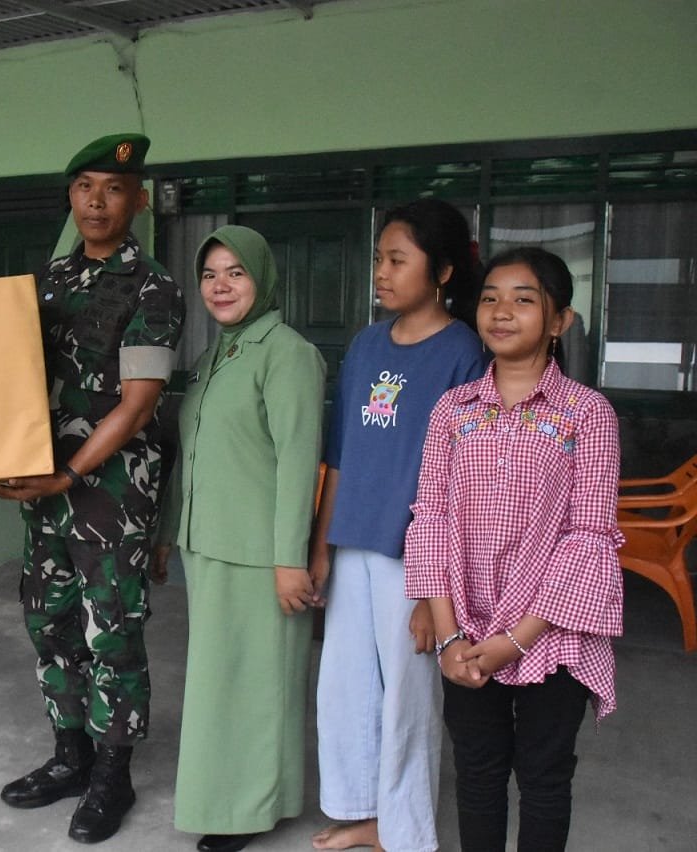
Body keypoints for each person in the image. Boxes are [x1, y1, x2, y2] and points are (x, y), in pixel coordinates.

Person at [0, 132, 185, 845]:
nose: (97, 202)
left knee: (113, 630)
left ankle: (113, 773)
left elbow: (136, 406)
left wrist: (68, 473)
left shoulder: (154, 287)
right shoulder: (44, 283)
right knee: (49, 621)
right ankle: (70, 754)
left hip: (112, 491)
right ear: (70, 198)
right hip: (45, 485)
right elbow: (3, 376)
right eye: (84, 188)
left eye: (113, 189)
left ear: (138, 201)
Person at [405, 247, 623, 852]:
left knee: (544, 778)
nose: (502, 312)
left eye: (523, 299)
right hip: (467, 630)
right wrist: (449, 638)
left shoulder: (587, 415)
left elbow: (589, 537)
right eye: (490, 298)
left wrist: (517, 639)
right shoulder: (452, 410)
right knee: (477, 775)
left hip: (553, 633)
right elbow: (430, 519)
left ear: (560, 321)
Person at [310, 199, 488, 852]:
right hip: (353, 542)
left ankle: (406, 831)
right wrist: (321, 546)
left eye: (397, 260)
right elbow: (340, 456)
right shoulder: (364, 345)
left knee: (408, 700)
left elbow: (468, 482)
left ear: (442, 271)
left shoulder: (465, 353)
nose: (381, 273)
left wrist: (434, 594)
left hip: (416, 557)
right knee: (346, 688)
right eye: (379, 259)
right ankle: (364, 811)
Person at [151, 226, 325, 852]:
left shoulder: (287, 353)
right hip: (208, 546)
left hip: (258, 556)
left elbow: (299, 461)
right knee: (221, 684)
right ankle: (234, 800)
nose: (220, 286)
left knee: (258, 685)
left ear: (263, 278)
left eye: (235, 272)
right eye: (209, 274)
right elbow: (191, 453)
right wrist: (168, 533)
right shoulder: (215, 356)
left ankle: (249, 809)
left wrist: (289, 560)